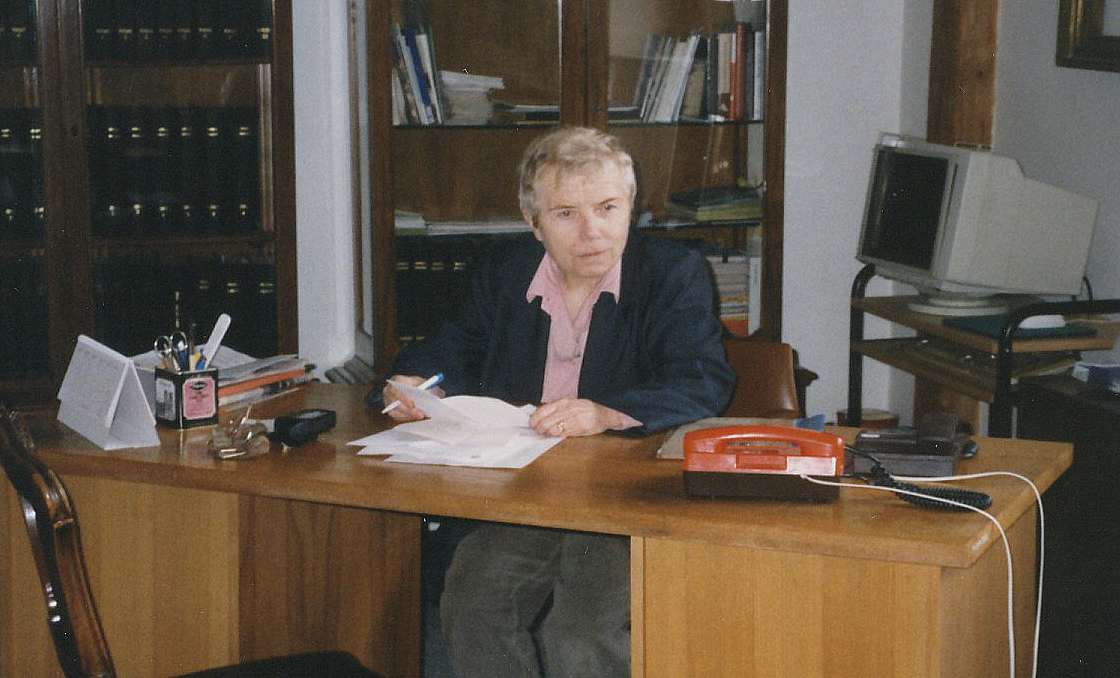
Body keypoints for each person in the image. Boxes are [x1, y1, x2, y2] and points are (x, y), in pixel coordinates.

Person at [376, 126, 735, 678]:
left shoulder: (671, 273)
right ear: (534, 222)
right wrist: (415, 385)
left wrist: (606, 411)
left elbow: (702, 379)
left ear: (631, 207)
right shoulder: (506, 270)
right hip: (526, 489)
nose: (592, 231)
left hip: (621, 496)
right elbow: (453, 346)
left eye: (608, 208)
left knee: (580, 633)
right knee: (474, 605)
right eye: (566, 214)